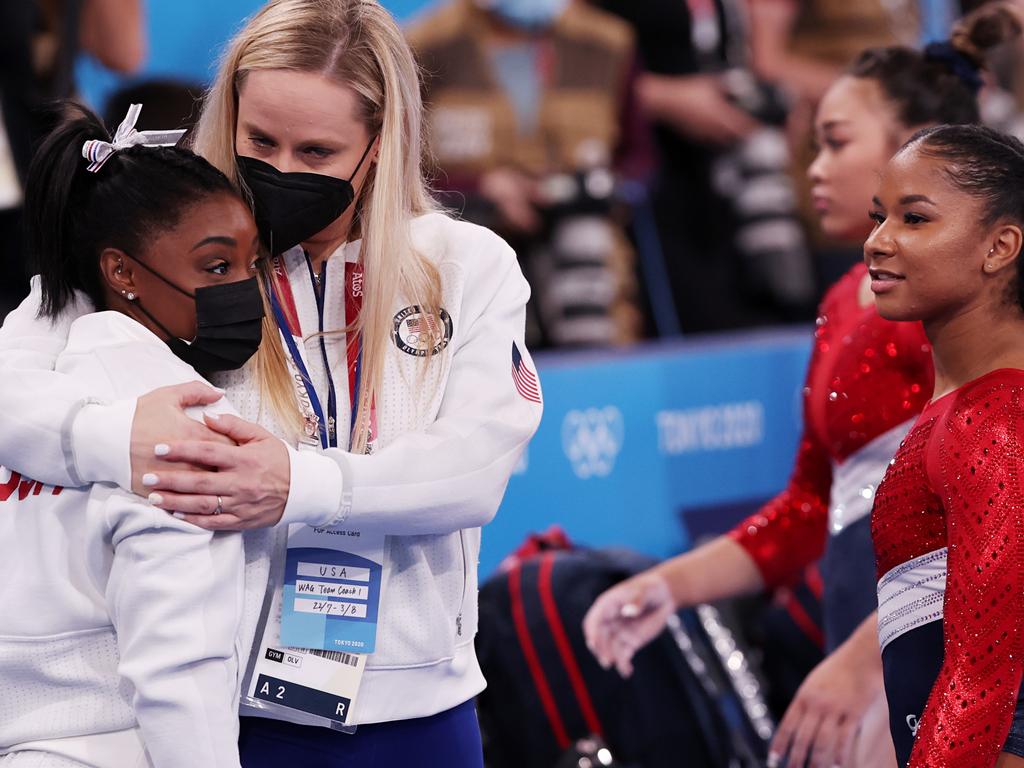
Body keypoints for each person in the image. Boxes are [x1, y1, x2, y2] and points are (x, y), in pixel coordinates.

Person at [0, 1, 543, 766]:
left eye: (317, 152)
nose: (282, 170)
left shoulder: (465, 264)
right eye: (260, 140)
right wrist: (119, 438)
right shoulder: (167, 249)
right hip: (232, 715)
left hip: (423, 707)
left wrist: (299, 483)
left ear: (379, 147)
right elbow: (8, 390)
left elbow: (476, 470)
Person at [583, 5, 1020, 767]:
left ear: (911, 148)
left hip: (931, 672)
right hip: (890, 654)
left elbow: (988, 570)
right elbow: (810, 507)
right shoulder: (855, 301)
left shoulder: (958, 338)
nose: (812, 167)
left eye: (836, 142)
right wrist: (669, 585)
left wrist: (859, 663)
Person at [0, 102, 257, 767]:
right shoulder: (182, 429)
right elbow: (179, 672)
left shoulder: (24, 389)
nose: (247, 290)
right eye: (218, 268)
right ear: (122, 272)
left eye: (251, 262)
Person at [867, 123, 1024, 768]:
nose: (878, 241)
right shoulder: (963, 409)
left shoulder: (996, 421)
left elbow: (983, 677)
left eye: (915, 218)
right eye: (880, 217)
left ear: (1000, 246)